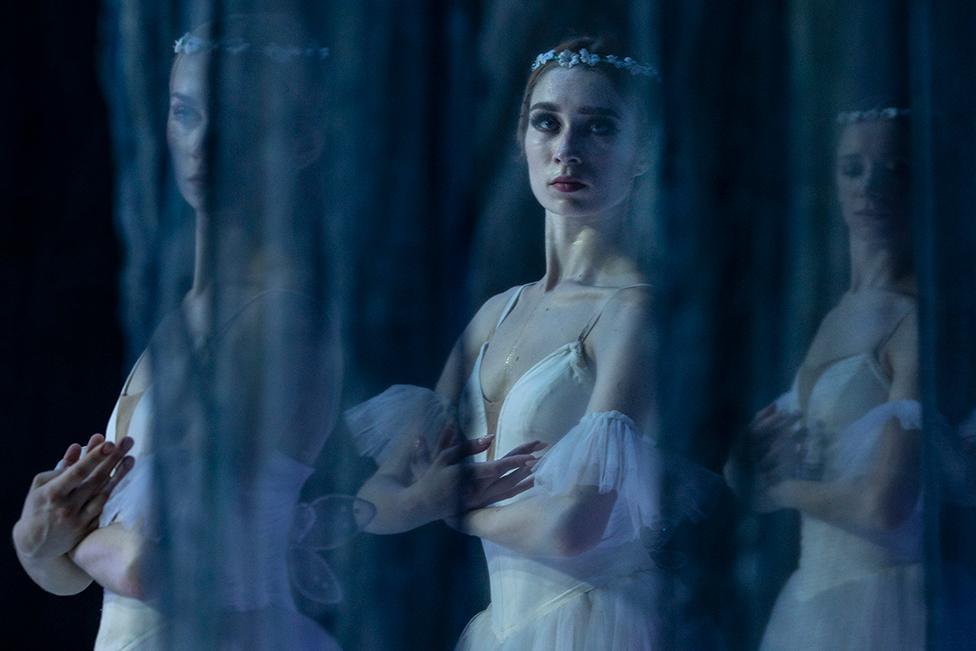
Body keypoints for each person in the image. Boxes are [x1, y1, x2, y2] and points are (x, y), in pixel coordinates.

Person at [346, 36, 720, 650]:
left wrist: (450, 505)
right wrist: (425, 498)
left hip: (598, 624)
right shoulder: (495, 314)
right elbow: (377, 499)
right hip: (502, 630)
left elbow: (575, 525)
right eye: (547, 122)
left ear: (643, 149)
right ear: (522, 140)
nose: (567, 150)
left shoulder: (635, 311)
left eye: (599, 127)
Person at [744, 103, 923, 649]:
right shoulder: (834, 312)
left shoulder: (916, 317)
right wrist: (746, 461)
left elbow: (883, 504)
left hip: (885, 604)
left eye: (894, 170)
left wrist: (777, 491)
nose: (871, 186)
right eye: (853, 169)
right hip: (811, 602)